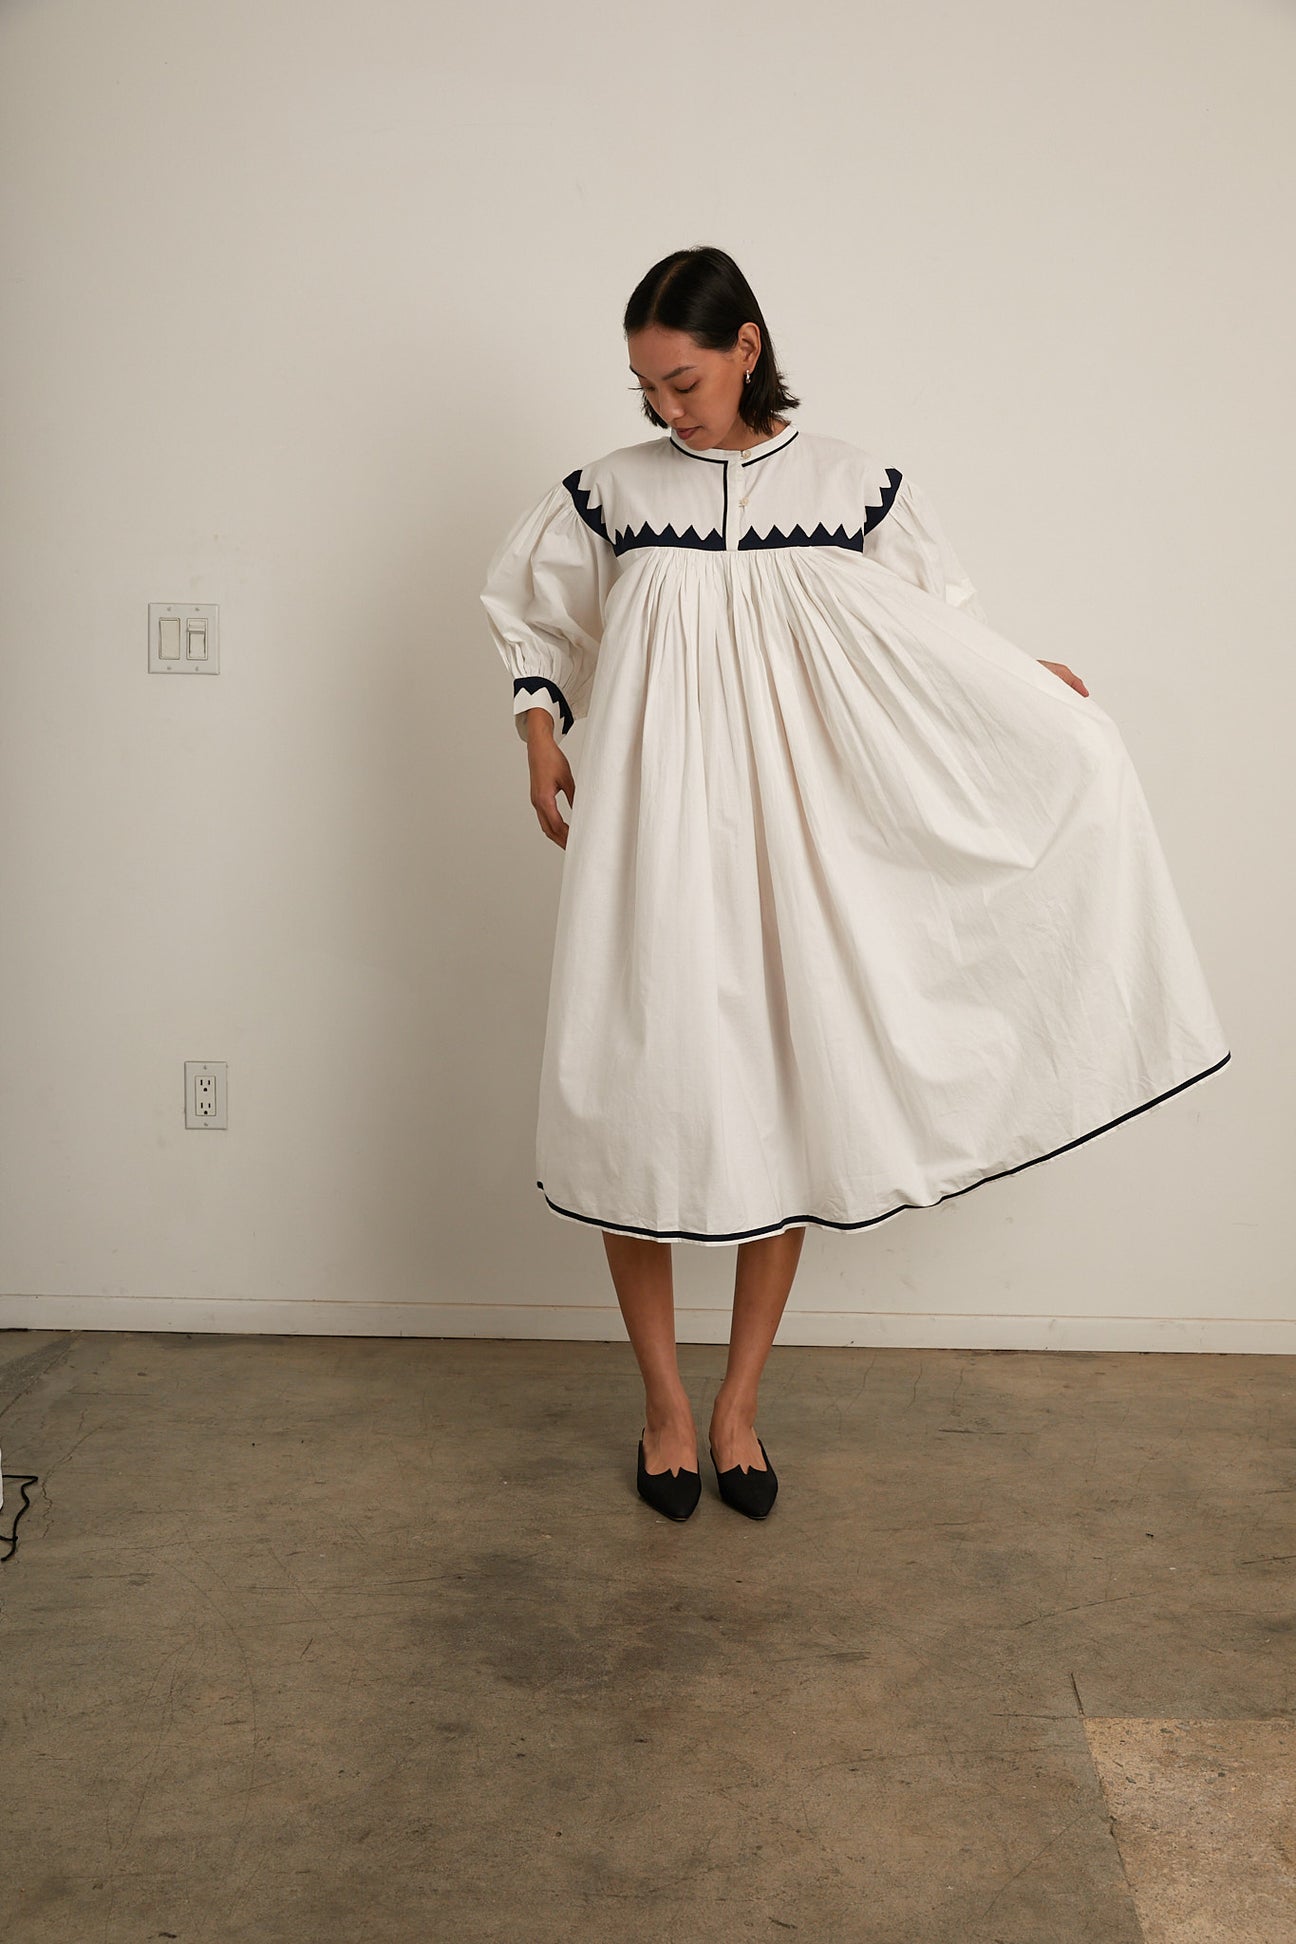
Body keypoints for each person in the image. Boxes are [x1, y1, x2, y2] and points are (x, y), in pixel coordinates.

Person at [479, 245, 1231, 1524]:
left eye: (683, 381)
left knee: (787, 1090)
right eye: (646, 388)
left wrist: (1022, 687)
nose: (666, 408)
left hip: (802, 841)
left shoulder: (852, 486)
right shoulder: (609, 495)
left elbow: (932, 640)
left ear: (747, 348)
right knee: (634, 1097)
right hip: (649, 835)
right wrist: (540, 733)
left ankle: (738, 1409)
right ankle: (663, 1406)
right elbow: (541, 621)